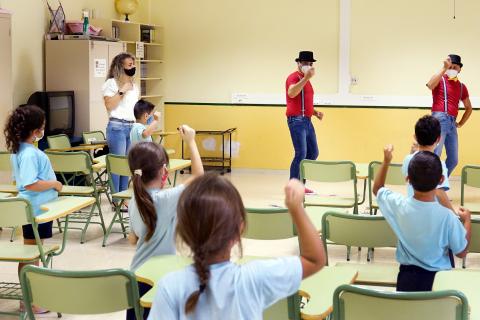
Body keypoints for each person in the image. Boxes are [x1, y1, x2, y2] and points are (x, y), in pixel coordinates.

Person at [147, 175, 326, 319]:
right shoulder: (254, 279)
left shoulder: (169, 287)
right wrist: (296, 208)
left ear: (183, 231)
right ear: (239, 229)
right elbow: (314, 259)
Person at [126, 125, 203, 320]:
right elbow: (199, 178)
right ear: (164, 171)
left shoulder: (135, 199)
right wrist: (191, 141)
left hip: (137, 277)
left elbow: (132, 239)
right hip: (160, 278)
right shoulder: (165, 199)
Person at [373, 145, 470, 292]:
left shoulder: (399, 205)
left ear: (408, 179)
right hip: (438, 282)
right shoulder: (448, 217)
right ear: (441, 180)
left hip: (406, 280)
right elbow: (461, 252)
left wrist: (386, 160)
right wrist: (467, 221)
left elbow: (377, 189)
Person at [4, 105, 63, 313]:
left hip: (35, 208)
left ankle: (30, 298)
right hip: (35, 210)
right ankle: (30, 301)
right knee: (31, 255)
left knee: (32, 254)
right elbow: (30, 184)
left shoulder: (21, 150)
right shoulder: (29, 154)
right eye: (42, 127)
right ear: (36, 130)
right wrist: (55, 184)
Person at [426, 54, 473, 176]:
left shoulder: (462, 87)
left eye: (454, 67)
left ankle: (439, 184)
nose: (452, 69)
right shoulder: (440, 79)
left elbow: (469, 108)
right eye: (449, 67)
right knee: (435, 155)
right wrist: (443, 68)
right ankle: (430, 189)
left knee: (453, 160)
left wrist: (461, 123)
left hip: (452, 122)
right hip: (439, 119)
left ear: (459, 69)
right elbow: (430, 85)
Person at [286, 51, 324, 193]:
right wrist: (306, 78)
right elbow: (291, 93)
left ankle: (300, 184)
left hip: (307, 120)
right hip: (296, 120)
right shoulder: (293, 77)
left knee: (313, 152)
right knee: (301, 153)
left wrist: (315, 112)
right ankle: (293, 187)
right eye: (305, 63)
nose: (308, 65)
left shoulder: (306, 81)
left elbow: (304, 101)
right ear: (299, 63)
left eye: (310, 64)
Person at [103, 52, 139, 193]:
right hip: (117, 127)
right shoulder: (111, 83)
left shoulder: (134, 86)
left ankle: (123, 196)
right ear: (120, 67)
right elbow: (109, 105)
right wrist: (122, 90)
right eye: (130, 65)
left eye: (133, 64)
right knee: (117, 165)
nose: (133, 67)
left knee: (126, 165)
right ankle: (116, 197)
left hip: (131, 126)